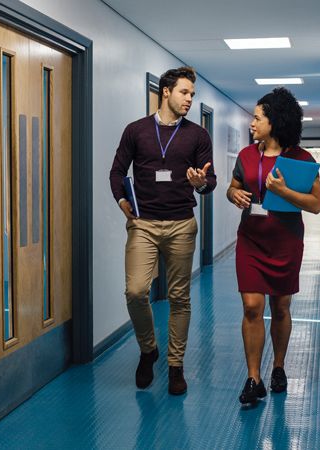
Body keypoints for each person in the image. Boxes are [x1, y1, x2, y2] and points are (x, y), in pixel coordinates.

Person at [109, 66, 216, 395]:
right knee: (136, 291)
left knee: (179, 298)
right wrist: (122, 201)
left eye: (192, 95)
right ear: (166, 91)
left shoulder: (198, 135)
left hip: (182, 224)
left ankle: (175, 365)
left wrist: (201, 184)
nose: (189, 100)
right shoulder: (136, 131)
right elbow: (116, 171)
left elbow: (210, 181)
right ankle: (148, 349)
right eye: (184, 93)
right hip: (143, 225)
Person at [227, 87, 320, 404]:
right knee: (252, 307)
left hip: (285, 240)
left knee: (280, 307)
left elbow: (315, 204)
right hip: (251, 239)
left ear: (274, 121)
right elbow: (234, 187)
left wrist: (284, 192)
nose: (252, 122)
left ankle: (278, 367)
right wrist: (234, 194)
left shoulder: (301, 159)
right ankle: (253, 378)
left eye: (257, 117)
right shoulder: (245, 156)